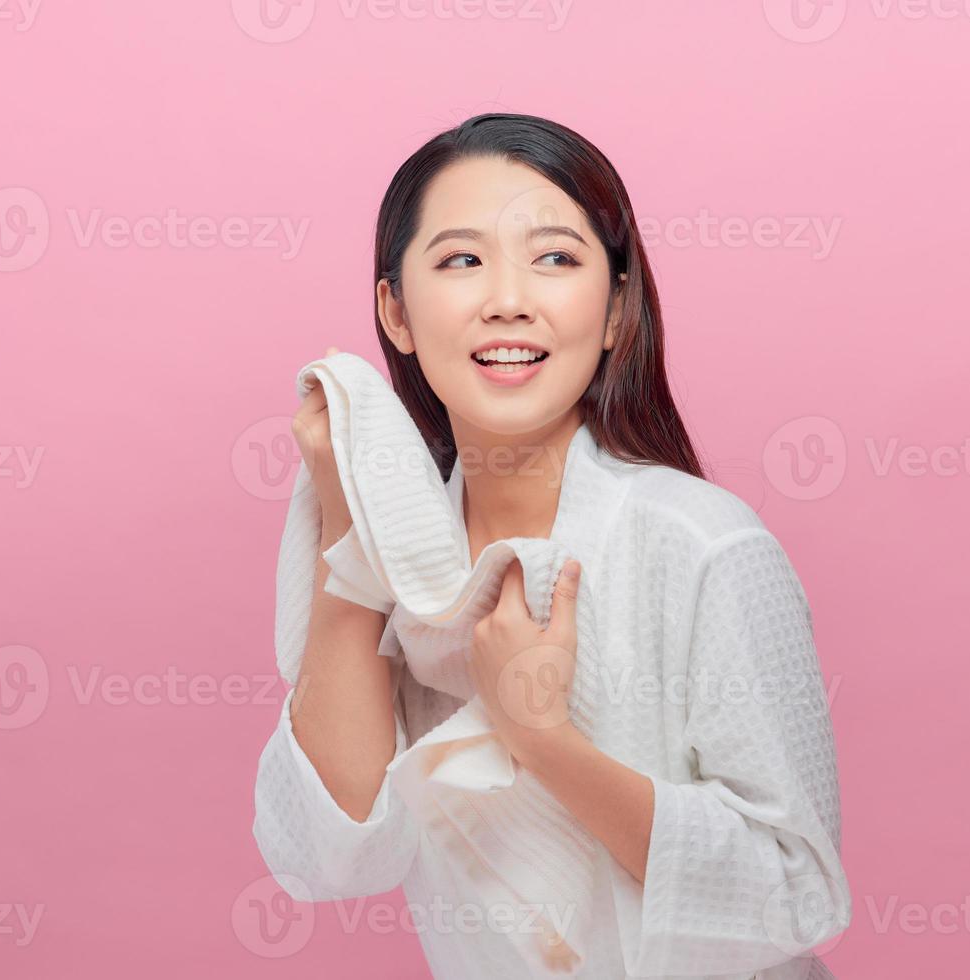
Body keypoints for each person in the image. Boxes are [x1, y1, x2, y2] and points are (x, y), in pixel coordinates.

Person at [252, 112, 851, 979]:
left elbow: (797, 896)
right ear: (397, 313)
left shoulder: (704, 547)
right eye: (461, 260)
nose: (508, 298)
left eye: (557, 259)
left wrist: (541, 737)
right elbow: (329, 856)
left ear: (614, 310)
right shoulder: (408, 570)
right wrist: (350, 523)